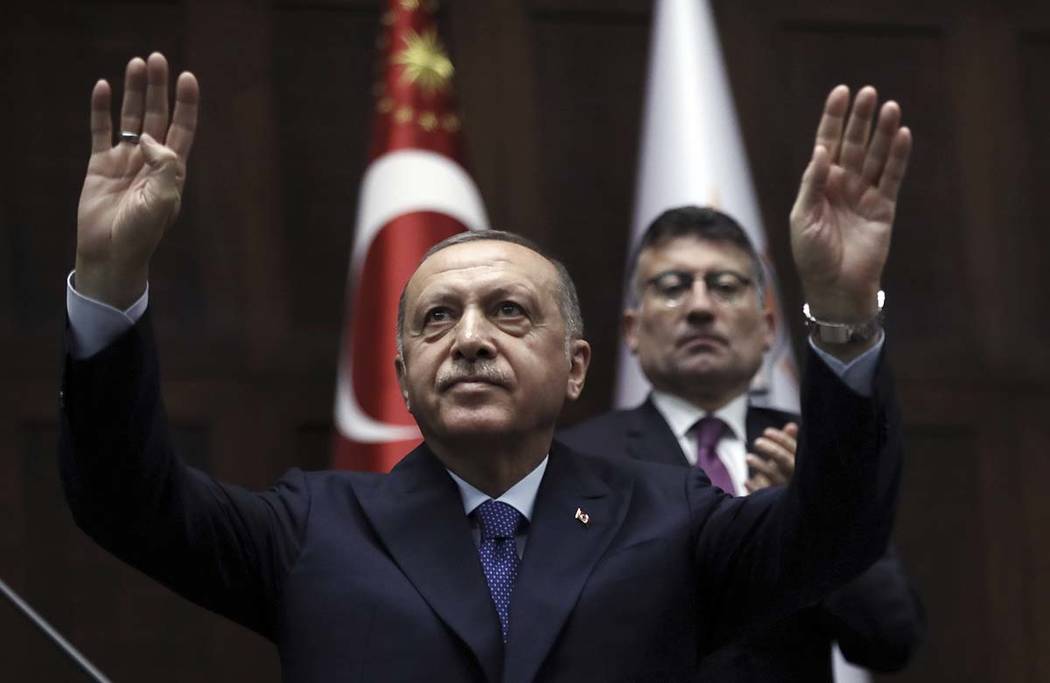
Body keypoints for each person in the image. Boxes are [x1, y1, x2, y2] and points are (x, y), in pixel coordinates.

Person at [59, 52, 912, 682]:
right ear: (401, 375)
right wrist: (108, 281)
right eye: (438, 318)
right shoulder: (311, 527)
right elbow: (127, 500)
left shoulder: (673, 515)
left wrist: (840, 309)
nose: (469, 338)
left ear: (577, 366)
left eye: (509, 311)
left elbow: (836, 532)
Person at [559, 206, 924, 680]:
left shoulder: (822, 448)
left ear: (768, 329)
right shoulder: (577, 460)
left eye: (726, 287)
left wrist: (817, 513)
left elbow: (891, 638)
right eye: (671, 288)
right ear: (632, 331)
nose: (700, 308)